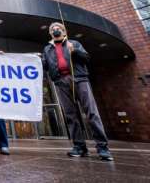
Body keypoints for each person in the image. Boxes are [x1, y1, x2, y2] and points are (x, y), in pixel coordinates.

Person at [42, 22, 114, 161]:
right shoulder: (47, 49)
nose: (55, 30)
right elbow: (44, 65)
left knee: (91, 113)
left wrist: (75, 51)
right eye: (52, 29)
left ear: (63, 31)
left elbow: (86, 58)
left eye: (58, 28)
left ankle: (103, 147)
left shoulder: (74, 43)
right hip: (60, 82)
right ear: (50, 33)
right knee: (70, 115)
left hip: (79, 79)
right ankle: (79, 147)